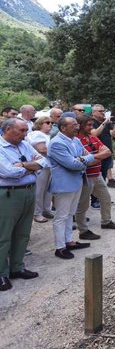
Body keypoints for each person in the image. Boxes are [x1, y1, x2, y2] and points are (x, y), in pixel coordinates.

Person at [0, 118, 47, 290]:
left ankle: (17, 267)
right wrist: (32, 167)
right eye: (21, 130)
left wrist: (24, 165)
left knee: (22, 233)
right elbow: (8, 172)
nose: (25, 134)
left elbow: (44, 161)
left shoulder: (24, 144)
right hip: (8, 194)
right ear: (8, 130)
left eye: (25, 130)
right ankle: (1, 273)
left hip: (28, 190)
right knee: (3, 235)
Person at [48, 116, 95, 260]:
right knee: (61, 216)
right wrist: (83, 160)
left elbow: (89, 157)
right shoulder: (56, 143)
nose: (77, 127)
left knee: (70, 214)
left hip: (76, 181)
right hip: (64, 184)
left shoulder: (76, 140)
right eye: (74, 125)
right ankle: (60, 247)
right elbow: (72, 164)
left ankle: (69, 241)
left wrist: (82, 159)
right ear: (63, 128)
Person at [75, 115, 115, 241]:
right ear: (80, 125)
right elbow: (85, 161)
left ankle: (106, 221)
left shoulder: (92, 137)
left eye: (91, 124)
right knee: (83, 205)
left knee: (106, 198)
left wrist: (93, 157)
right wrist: (98, 156)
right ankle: (83, 230)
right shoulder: (76, 140)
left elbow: (107, 152)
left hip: (97, 174)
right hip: (86, 176)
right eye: (88, 125)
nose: (91, 127)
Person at [27, 117, 53, 223]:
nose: (50, 124)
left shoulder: (48, 135)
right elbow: (42, 149)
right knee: (39, 190)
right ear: (39, 124)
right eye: (47, 122)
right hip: (40, 165)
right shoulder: (36, 134)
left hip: (50, 165)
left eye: (51, 122)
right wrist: (59, 154)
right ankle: (37, 213)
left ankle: (46, 209)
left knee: (49, 190)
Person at [90, 104, 115, 188]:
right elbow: (94, 134)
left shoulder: (106, 123)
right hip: (98, 153)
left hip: (107, 152)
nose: (103, 113)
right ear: (93, 112)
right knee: (97, 178)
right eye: (100, 111)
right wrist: (104, 123)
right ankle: (96, 200)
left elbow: (114, 134)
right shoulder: (91, 122)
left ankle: (101, 199)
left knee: (103, 176)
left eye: (103, 111)